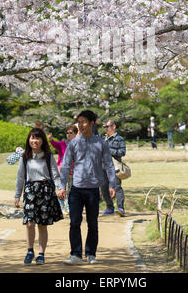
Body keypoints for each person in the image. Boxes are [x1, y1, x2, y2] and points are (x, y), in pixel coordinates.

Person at [58, 110, 116, 265]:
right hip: (76, 189)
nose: (81, 125)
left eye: (84, 121)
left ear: (92, 123)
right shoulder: (74, 143)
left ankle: (91, 254)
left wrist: (112, 185)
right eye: (79, 122)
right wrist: (62, 186)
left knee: (93, 223)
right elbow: (65, 166)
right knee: (74, 222)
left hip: (93, 190)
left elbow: (109, 165)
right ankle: (76, 255)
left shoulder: (101, 143)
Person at [15, 127, 63, 265]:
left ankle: (41, 254)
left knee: (42, 225)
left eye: (37, 138)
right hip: (30, 191)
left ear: (42, 140)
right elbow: (20, 177)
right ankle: (30, 251)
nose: (34, 141)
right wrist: (17, 195)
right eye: (32, 138)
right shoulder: (24, 157)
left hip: (45, 191)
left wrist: (60, 189)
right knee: (29, 223)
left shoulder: (48, 156)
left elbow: (55, 174)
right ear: (28, 140)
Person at [48, 125, 78, 213]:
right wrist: (51, 140)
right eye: (67, 133)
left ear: (75, 134)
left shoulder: (78, 144)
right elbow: (55, 144)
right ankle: (61, 206)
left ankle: (68, 206)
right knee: (62, 189)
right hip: (62, 170)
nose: (68, 135)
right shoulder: (62, 144)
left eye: (70, 133)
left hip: (74, 171)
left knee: (71, 190)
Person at [101, 119, 126, 216]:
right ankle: (109, 207)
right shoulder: (103, 139)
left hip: (114, 167)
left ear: (114, 127)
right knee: (103, 188)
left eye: (107, 126)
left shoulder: (119, 139)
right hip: (102, 166)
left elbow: (122, 152)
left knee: (117, 187)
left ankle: (120, 208)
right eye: (105, 127)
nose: (105, 129)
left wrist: (109, 150)